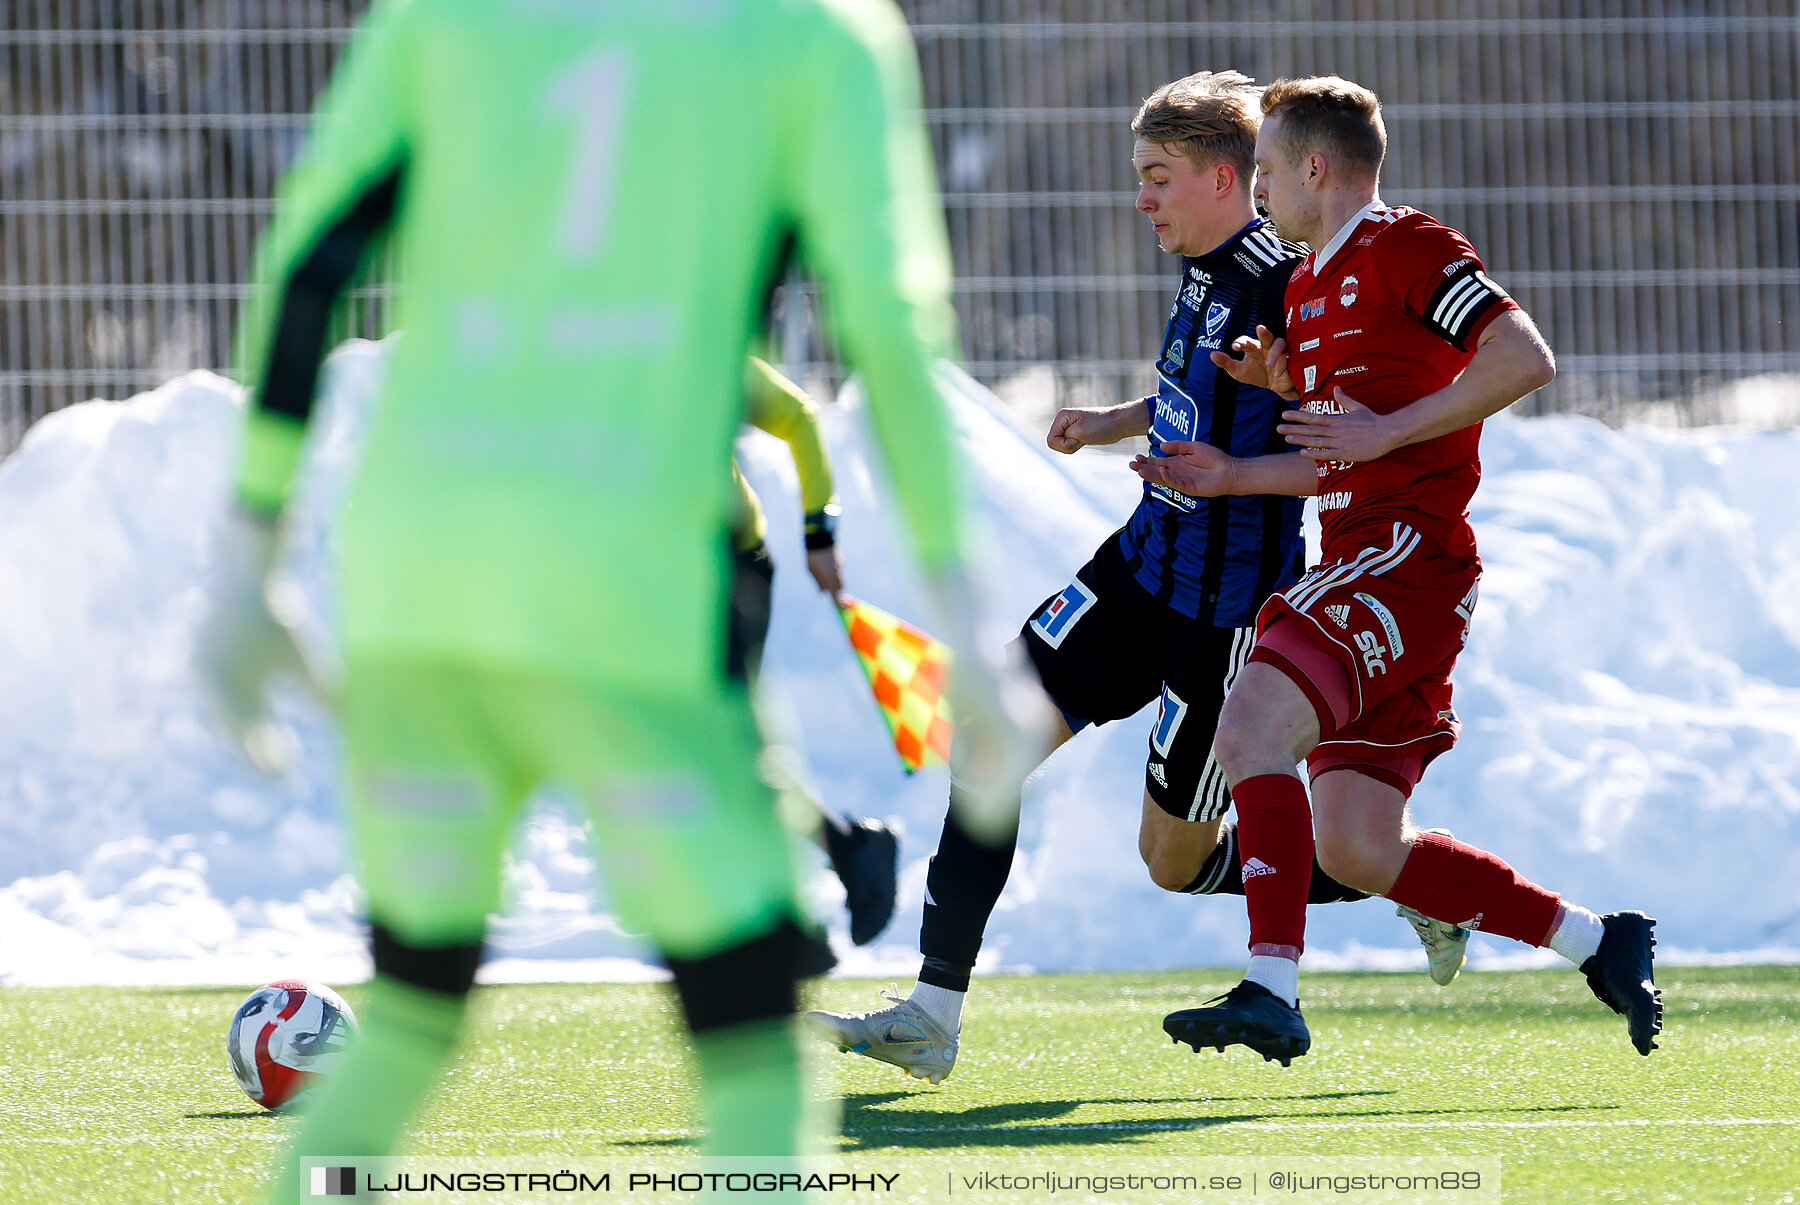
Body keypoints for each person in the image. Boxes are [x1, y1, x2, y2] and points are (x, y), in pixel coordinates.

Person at [195, 0, 1030, 1195]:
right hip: (629, 595)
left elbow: (311, 253)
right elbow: (889, 330)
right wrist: (963, 601)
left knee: (410, 1025)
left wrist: (247, 548)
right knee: (747, 1049)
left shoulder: (445, 19)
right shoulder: (817, 35)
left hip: (415, 581)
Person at [804, 70, 1457, 1086]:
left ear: (1225, 179)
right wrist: (1112, 422)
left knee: (1175, 859)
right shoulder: (1203, 266)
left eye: (1157, 177)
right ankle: (931, 1013)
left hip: (1223, 616)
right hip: (1140, 569)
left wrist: (1241, 473)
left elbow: (1337, 448)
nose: (1140, 199)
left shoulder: (1288, 287)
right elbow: (1189, 391)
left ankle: (1392, 874)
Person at [1130, 75, 1661, 1065]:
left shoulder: (1409, 247)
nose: (1261, 193)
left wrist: (1387, 430)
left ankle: (1271, 985)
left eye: (1271, 172)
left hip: (1405, 555)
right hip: (1369, 563)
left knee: (1249, 722)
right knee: (1361, 847)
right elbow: (1338, 449)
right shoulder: (1300, 286)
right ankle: (1599, 939)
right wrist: (1243, 462)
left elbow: (1525, 356)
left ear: (1316, 170)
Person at [734, 355, 898, 948]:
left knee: (706, 748)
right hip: (641, 581)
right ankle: (844, 854)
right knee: (713, 749)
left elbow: (798, 416)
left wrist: (818, 533)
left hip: (722, 569)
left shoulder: (685, 327)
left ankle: (783, 924)